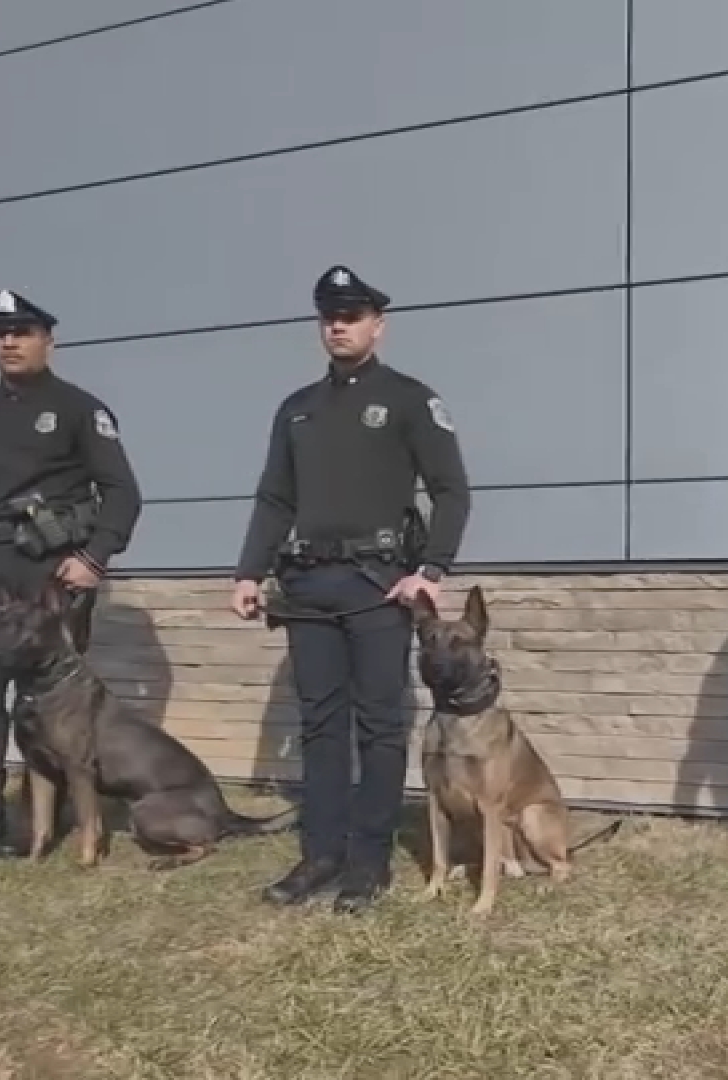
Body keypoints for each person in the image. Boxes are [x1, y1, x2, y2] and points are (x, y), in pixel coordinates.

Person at [231, 264, 472, 914]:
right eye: (329, 317)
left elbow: (452, 491)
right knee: (320, 725)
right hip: (308, 585)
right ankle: (321, 854)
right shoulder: (298, 409)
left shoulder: (409, 399)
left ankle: (368, 864)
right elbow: (275, 497)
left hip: (378, 585)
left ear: (378, 325)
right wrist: (249, 572)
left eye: (352, 316)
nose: (339, 326)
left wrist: (432, 570)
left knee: (379, 726)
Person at [0, 288, 144, 868]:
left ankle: (51, 819)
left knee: (54, 701)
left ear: (48, 339)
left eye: (22, 332)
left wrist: (93, 559)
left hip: (48, 571)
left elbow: (123, 493)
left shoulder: (77, 408)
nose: (9, 342)